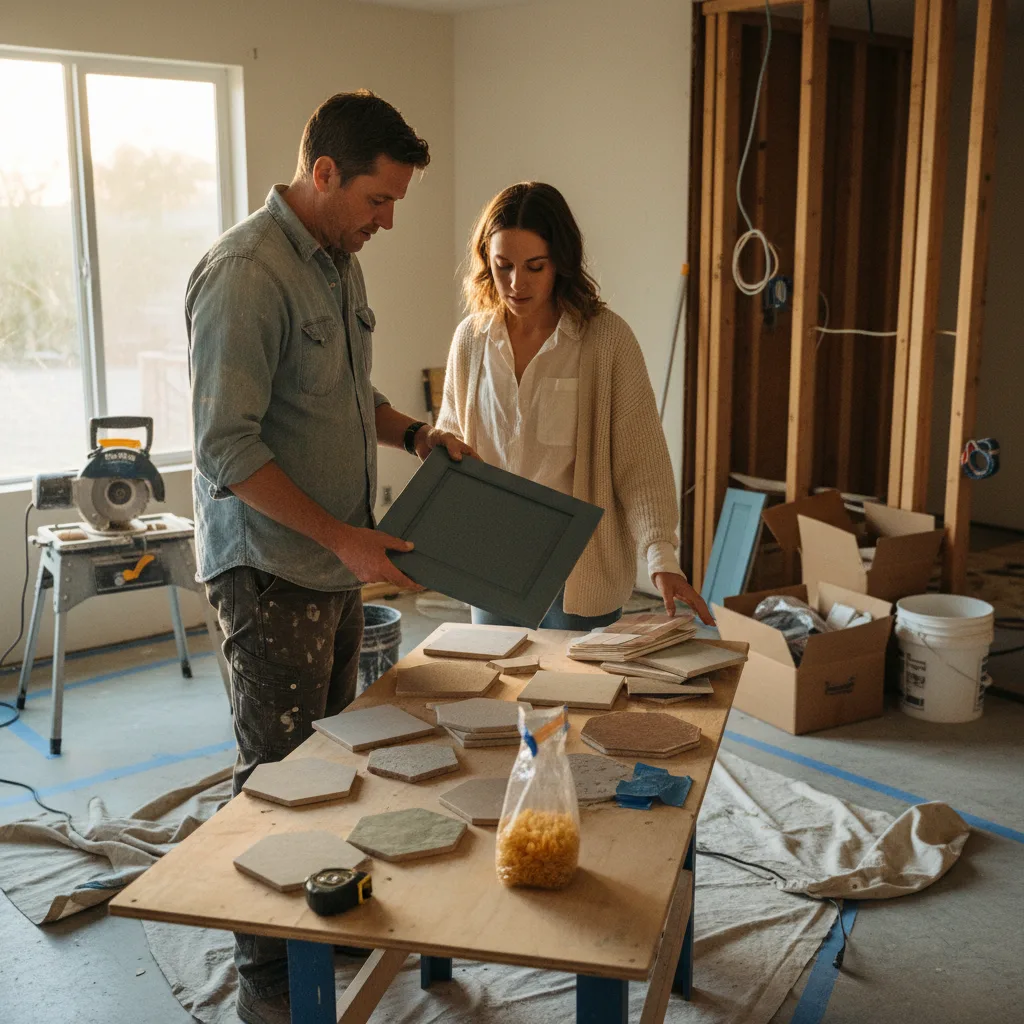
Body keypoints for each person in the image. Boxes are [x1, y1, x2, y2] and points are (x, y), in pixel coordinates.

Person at [186, 91, 472, 1024]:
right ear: (323, 174)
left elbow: (350, 394)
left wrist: (415, 433)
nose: (388, 222)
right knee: (277, 774)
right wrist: (344, 537)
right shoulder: (246, 274)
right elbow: (227, 450)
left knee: (339, 755)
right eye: (379, 201)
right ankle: (265, 976)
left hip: (336, 561)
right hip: (272, 570)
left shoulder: (337, 262)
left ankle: (323, 913)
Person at [436, 181, 713, 630]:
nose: (516, 283)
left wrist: (661, 556)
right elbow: (451, 444)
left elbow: (641, 463)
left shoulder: (606, 341)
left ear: (561, 263)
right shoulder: (471, 340)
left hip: (579, 572)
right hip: (492, 565)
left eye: (534, 267)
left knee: (574, 698)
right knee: (498, 693)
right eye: (502, 265)